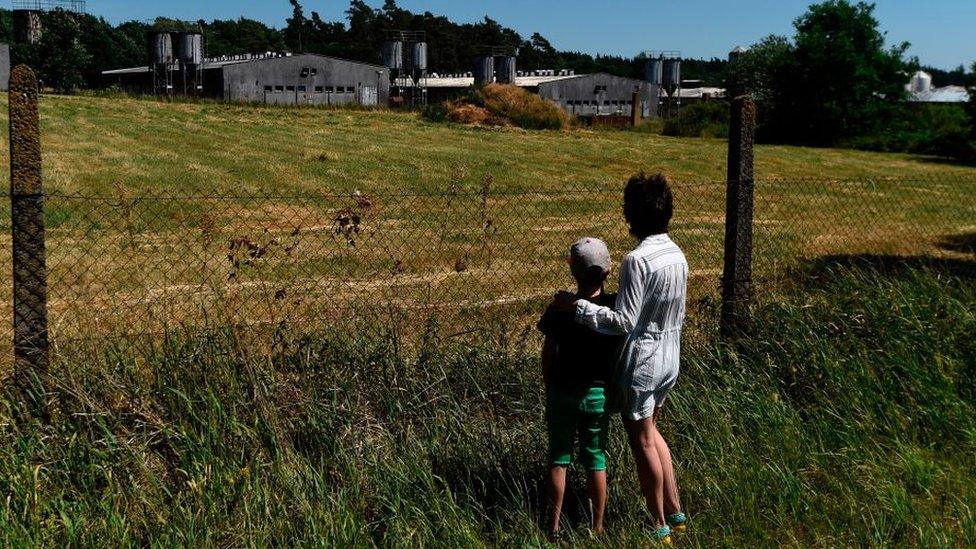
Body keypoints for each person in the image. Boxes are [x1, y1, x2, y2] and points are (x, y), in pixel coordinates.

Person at [551, 173, 688, 543]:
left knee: (641, 440)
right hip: (671, 353)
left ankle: (659, 524)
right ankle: (676, 513)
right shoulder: (676, 253)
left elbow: (623, 321)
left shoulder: (637, 260)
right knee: (654, 432)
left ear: (633, 214)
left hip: (643, 360)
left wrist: (578, 308)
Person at [538, 237, 623, 541]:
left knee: (559, 458)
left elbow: (548, 352)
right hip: (597, 395)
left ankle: (553, 526)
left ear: (570, 268)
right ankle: (597, 527)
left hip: (562, 392)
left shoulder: (560, 309)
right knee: (596, 459)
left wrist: (550, 385)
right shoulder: (614, 309)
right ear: (609, 270)